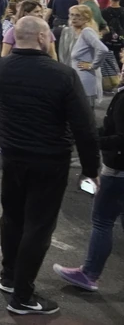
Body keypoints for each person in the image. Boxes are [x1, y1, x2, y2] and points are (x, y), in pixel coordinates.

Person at [0, 16, 100, 315]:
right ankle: (22, 296)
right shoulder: (62, 75)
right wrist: (90, 169)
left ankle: (9, 276)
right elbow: (84, 127)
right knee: (38, 227)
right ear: (43, 37)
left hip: (12, 156)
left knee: (12, 218)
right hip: (49, 160)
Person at [53, 59, 124, 292]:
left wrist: (92, 140)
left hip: (117, 171)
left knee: (102, 221)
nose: (120, 69)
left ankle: (90, 273)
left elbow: (120, 138)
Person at [64, 5, 109, 111]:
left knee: (85, 112)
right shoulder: (75, 32)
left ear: (86, 18)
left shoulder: (87, 31)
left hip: (85, 78)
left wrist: (93, 65)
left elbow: (103, 49)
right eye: (72, 15)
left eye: (78, 15)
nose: (74, 18)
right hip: (78, 77)